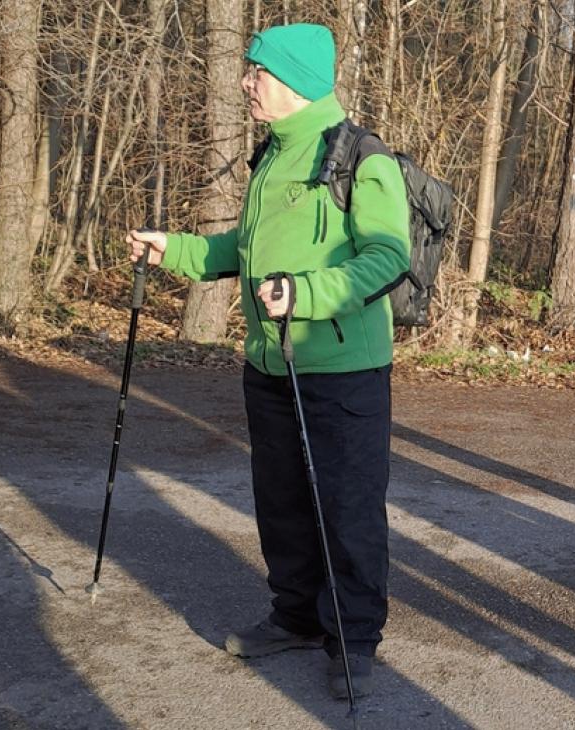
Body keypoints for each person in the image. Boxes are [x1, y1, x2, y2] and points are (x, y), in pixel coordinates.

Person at [126, 23, 410, 699]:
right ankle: (296, 617)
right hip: (269, 364)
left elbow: (387, 257)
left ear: (297, 81)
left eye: (258, 71)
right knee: (280, 501)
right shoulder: (273, 156)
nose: (247, 82)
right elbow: (244, 250)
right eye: (249, 70)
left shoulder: (361, 157)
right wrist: (179, 250)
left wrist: (304, 294)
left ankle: (353, 639)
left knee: (348, 507)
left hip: (342, 370)